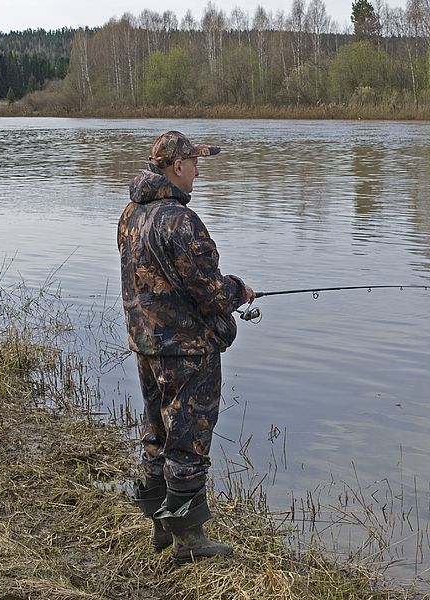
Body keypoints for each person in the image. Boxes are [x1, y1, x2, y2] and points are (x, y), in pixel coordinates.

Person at [118, 130, 256, 561]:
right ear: (176, 167)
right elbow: (211, 294)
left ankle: (160, 527)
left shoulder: (129, 216)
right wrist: (239, 290)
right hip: (187, 352)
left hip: (146, 346)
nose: (198, 169)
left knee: (156, 433)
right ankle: (189, 541)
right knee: (189, 441)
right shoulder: (180, 221)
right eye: (195, 162)